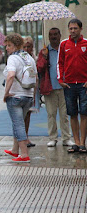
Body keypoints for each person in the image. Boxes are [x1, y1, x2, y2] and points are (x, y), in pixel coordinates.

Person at [37, 28, 74, 148]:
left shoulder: (65, 48)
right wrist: (44, 57)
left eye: (55, 34)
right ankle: (52, 138)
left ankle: (66, 138)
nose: (53, 37)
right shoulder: (44, 51)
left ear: (60, 35)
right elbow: (39, 69)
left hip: (65, 87)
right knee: (51, 114)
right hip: (50, 87)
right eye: (51, 35)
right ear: (48, 37)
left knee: (64, 114)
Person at [3, 33, 37, 162]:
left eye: (9, 45)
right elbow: (36, 78)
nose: (7, 48)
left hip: (15, 96)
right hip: (27, 96)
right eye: (6, 45)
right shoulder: (29, 57)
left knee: (18, 125)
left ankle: (24, 154)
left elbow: (11, 75)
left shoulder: (13, 58)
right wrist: (33, 95)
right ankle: (14, 150)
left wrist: (6, 93)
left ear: (16, 46)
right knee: (19, 123)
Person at [57, 19, 87, 153]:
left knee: (84, 113)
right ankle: (75, 142)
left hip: (84, 84)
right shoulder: (64, 44)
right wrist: (60, 79)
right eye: (71, 28)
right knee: (72, 113)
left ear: (81, 29)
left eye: (75, 28)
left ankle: (82, 143)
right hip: (69, 84)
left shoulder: (86, 43)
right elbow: (60, 63)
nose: (73, 31)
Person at [22, 36, 37, 148]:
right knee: (21, 115)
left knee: (28, 114)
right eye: (25, 46)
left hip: (32, 89)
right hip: (21, 90)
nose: (27, 49)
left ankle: (26, 136)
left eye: (29, 46)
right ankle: (21, 137)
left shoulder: (34, 58)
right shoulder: (19, 58)